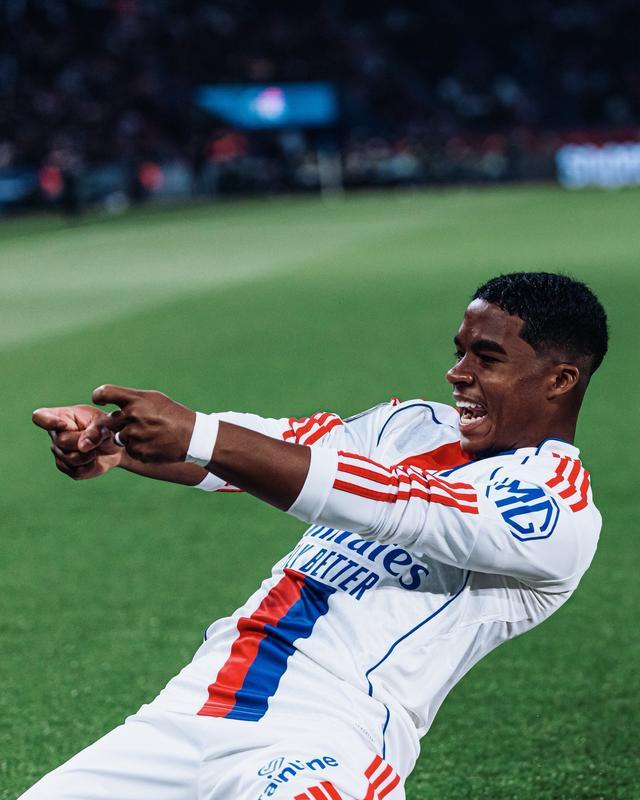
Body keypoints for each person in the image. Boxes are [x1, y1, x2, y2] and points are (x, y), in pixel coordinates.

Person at [25, 272, 608, 800]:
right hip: (186, 711)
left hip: (319, 738)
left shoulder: (554, 506)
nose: (458, 373)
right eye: (460, 352)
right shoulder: (410, 425)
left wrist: (199, 435)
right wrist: (119, 443)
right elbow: (277, 449)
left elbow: (398, 504)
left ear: (559, 380)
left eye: (488, 358)